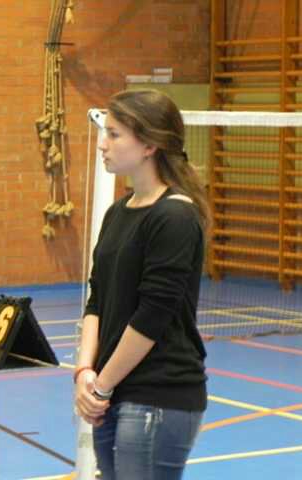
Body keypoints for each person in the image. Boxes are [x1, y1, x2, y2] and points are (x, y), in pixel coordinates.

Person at [74, 89, 209, 480]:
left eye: (114, 134)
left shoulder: (175, 217)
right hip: (113, 390)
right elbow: (97, 298)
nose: (103, 144)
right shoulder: (117, 213)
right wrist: (84, 371)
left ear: (150, 145)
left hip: (158, 393)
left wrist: (101, 386)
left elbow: (152, 317)